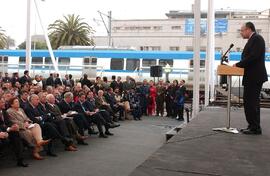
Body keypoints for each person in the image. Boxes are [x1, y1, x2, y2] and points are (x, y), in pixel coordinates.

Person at [233, 22, 268, 135]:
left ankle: (255, 128)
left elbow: (253, 56)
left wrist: (238, 64)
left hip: (255, 77)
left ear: (248, 29)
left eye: (242, 30)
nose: (241, 33)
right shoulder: (253, 39)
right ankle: (252, 125)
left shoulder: (257, 39)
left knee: (251, 102)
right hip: (251, 76)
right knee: (250, 102)